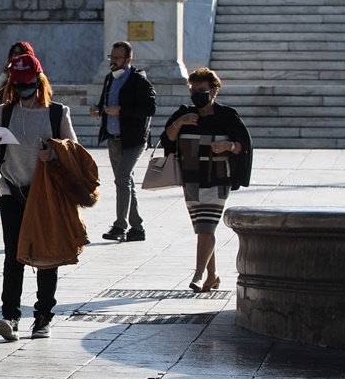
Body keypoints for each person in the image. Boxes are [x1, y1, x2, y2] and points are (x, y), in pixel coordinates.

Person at [0, 50, 77, 341]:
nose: (24, 88)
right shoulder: (4, 112)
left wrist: (53, 153)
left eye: (28, 82)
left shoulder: (56, 112)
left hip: (45, 194)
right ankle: (10, 317)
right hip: (11, 189)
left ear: (39, 81)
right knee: (13, 255)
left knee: (46, 256)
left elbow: (73, 149)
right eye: (18, 83)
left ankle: (43, 318)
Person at [160, 68, 253, 294]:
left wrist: (227, 146)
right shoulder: (184, 114)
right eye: (193, 90)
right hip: (191, 178)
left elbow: (244, 145)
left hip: (218, 178)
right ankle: (212, 275)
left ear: (214, 90)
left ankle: (198, 274)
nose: (196, 94)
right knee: (202, 228)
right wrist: (180, 122)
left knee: (206, 227)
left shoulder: (226, 116)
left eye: (201, 90)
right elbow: (166, 139)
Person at [93, 40, 157, 243]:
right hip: (114, 138)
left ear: (128, 59)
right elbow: (105, 102)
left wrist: (122, 110)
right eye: (111, 57)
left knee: (122, 179)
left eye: (117, 58)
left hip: (134, 140)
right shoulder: (109, 78)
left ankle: (120, 226)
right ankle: (137, 228)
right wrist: (98, 109)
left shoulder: (138, 80)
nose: (112, 61)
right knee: (126, 181)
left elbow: (150, 108)